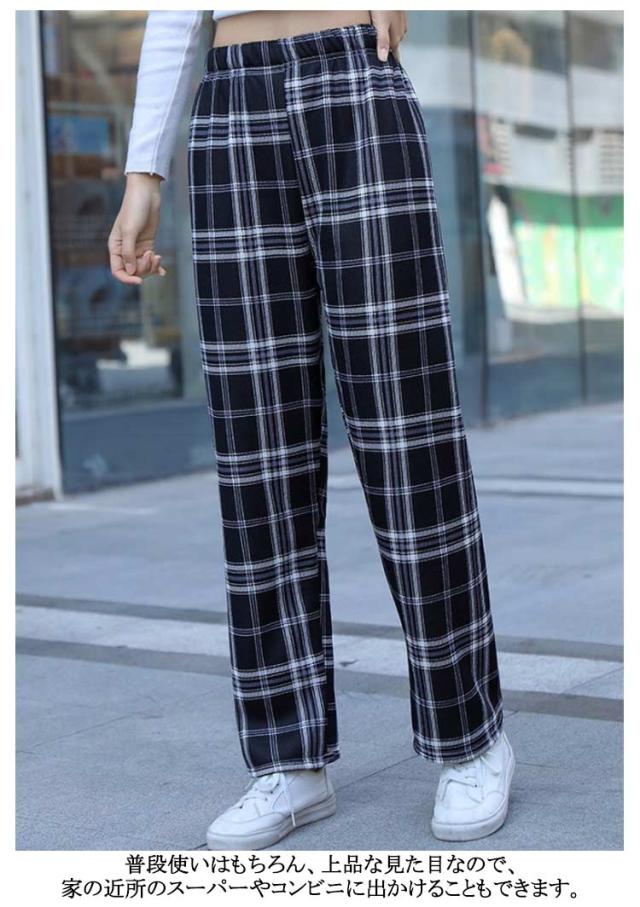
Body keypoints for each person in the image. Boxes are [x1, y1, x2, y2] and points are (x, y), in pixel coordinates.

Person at [109, 9, 515, 851]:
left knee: (409, 434)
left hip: (355, 78)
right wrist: (144, 166)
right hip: (230, 100)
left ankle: (471, 735)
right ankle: (289, 756)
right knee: (257, 448)